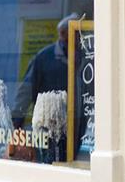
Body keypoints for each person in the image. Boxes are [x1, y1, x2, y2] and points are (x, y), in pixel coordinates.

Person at [10, 15, 78, 161]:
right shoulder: (44, 58)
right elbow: (25, 93)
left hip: (76, 128)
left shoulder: (82, 56)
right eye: (68, 33)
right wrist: (15, 127)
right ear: (63, 33)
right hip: (49, 126)